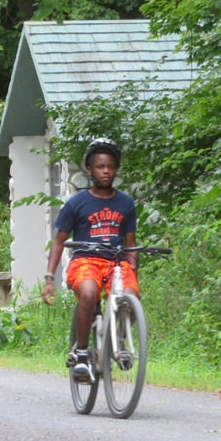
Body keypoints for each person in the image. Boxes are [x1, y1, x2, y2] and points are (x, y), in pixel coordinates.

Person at [42, 138, 139, 382]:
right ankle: (83, 353)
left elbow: (131, 243)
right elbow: (58, 241)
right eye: (100, 167)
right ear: (90, 170)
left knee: (132, 298)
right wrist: (49, 278)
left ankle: (120, 340)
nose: (106, 171)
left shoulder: (126, 203)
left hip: (117, 262)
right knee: (88, 294)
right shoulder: (77, 203)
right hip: (85, 261)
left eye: (110, 167)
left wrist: (132, 266)